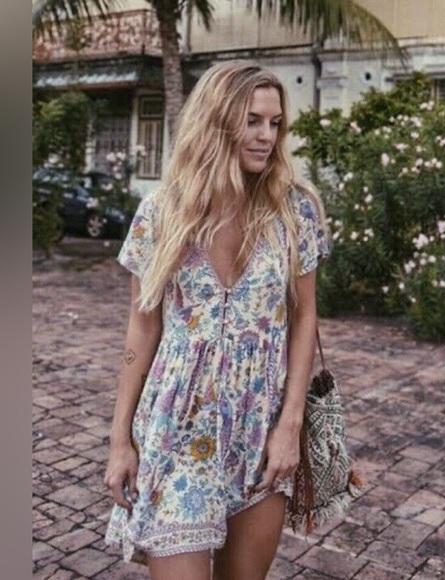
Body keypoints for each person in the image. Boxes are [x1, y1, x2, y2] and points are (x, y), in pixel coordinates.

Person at [103, 60, 330, 580]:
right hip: (177, 424)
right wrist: (120, 440)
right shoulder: (161, 213)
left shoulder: (294, 212)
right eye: (253, 121)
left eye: (275, 123)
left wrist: (290, 425)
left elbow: (304, 318)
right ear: (216, 121)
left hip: (261, 424)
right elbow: (142, 327)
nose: (267, 136)